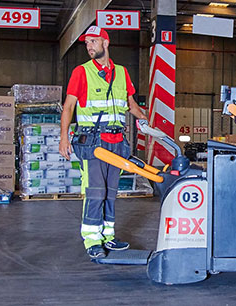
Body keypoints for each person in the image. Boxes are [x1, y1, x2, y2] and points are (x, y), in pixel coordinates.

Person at [60, 26, 151, 259]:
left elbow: (130, 103)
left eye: (93, 41)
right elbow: (69, 106)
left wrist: (144, 118)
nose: (89, 46)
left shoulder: (121, 73)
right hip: (92, 142)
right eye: (87, 43)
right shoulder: (81, 72)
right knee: (95, 191)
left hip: (117, 141)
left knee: (111, 192)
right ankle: (92, 240)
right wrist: (63, 137)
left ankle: (108, 237)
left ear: (105, 43)